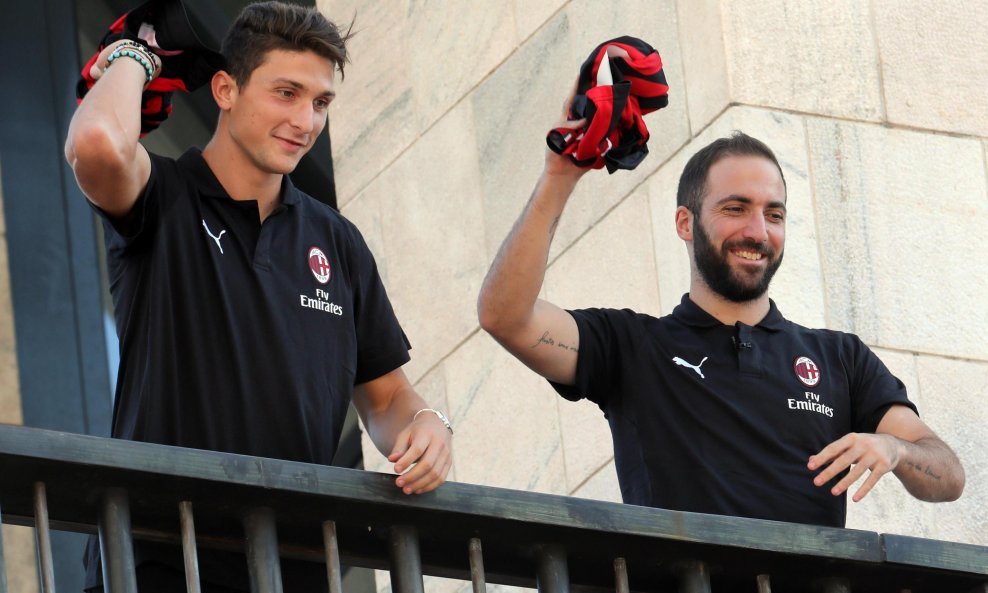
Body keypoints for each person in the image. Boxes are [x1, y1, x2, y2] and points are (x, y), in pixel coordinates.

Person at [65, 2, 453, 591]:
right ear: (224, 88)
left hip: (294, 566)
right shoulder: (164, 197)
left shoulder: (336, 240)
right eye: (286, 93)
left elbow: (386, 395)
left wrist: (427, 424)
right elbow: (95, 142)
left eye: (320, 102)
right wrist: (134, 52)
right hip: (156, 560)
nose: (306, 119)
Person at [477, 102, 964, 527]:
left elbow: (947, 475)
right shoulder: (631, 346)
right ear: (684, 223)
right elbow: (506, 317)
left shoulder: (839, 357)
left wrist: (895, 451)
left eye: (773, 214)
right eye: (736, 208)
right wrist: (560, 176)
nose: (758, 231)